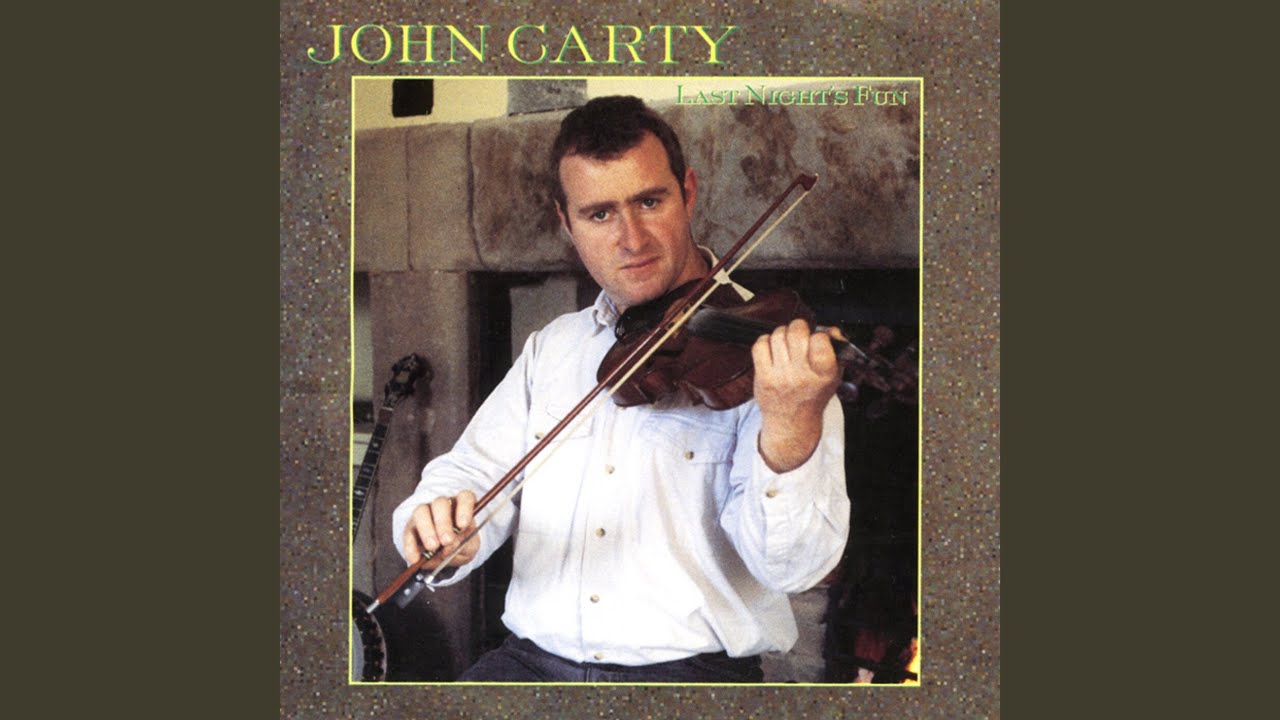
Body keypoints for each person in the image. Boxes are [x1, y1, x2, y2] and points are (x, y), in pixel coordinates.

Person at [391, 95, 850, 683]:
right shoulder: (553, 347)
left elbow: (793, 570)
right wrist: (438, 522)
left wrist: (789, 427)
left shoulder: (770, 355)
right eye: (599, 214)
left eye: (649, 202)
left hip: (686, 678)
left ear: (687, 192)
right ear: (567, 222)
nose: (631, 239)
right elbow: (472, 472)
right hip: (526, 664)